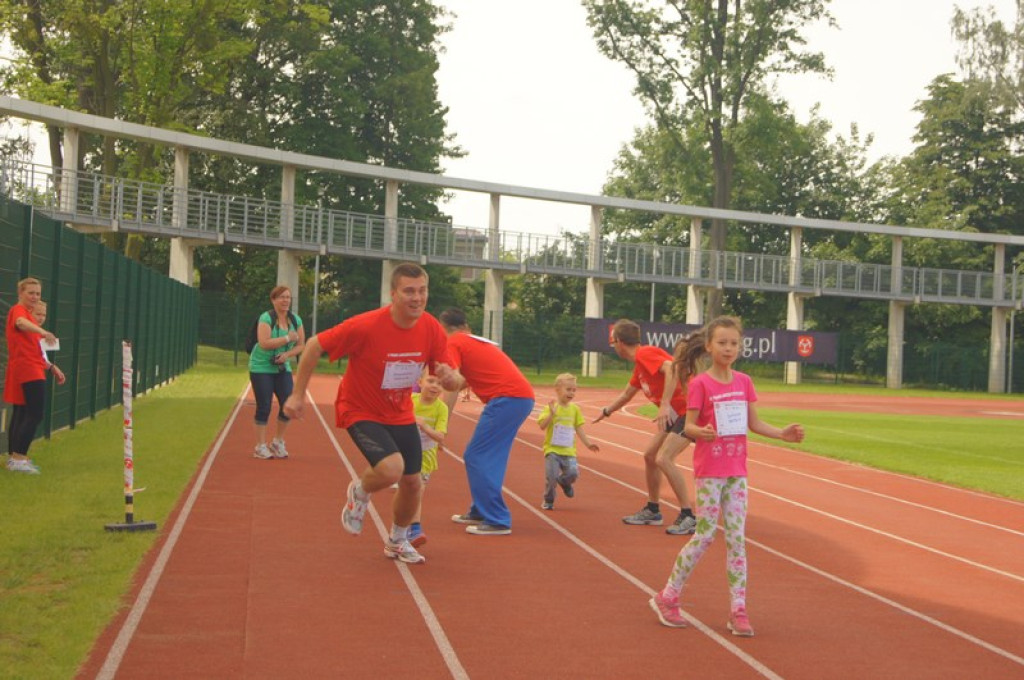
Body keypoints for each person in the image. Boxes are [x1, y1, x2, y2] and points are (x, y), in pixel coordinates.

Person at [283, 262, 451, 565]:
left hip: (400, 413)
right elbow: (312, 345)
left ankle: (397, 541)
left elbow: (450, 373)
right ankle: (359, 491)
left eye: (422, 290)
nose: (417, 297)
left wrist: (452, 377)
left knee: (414, 484)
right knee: (390, 469)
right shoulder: (366, 326)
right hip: (360, 409)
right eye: (409, 291)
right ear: (393, 294)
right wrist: (297, 394)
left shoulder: (431, 329)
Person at [649, 316, 805, 636]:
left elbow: (755, 424)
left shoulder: (744, 382)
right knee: (705, 536)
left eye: (734, 343)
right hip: (710, 473)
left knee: (737, 540)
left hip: (737, 473)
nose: (729, 348)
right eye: (722, 343)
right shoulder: (700, 384)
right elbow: (688, 425)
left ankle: (738, 610)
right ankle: (668, 596)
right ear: (709, 346)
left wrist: (782, 433)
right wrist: (700, 431)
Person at [435, 307, 534, 536]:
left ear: (443, 330)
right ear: (465, 326)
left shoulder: (454, 343)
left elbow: (453, 386)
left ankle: (497, 519)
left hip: (507, 399)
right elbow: (465, 381)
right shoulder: (474, 342)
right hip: (516, 397)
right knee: (489, 456)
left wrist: (443, 425)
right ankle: (481, 509)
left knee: (476, 455)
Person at [593, 319, 696, 534]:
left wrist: (665, 404)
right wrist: (606, 411)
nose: (613, 347)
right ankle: (653, 509)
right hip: (677, 414)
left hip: (691, 410)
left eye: (613, 343)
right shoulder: (640, 367)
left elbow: (672, 369)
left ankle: (688, 515)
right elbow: (627, 394)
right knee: (650, 456)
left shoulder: (644, 353)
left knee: (664, 458)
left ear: (619, 342)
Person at [4, 278, 62, 474]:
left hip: (29, 366)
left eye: (38, 293)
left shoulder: (29, 317)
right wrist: (43, 331)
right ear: (20, 293)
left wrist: (52, 367)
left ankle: (14, 456)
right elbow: (20, 323)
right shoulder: (19, 312)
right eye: (31, 293)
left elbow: (37, 351)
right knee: (35, 412)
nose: (35, 297)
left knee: (21, 412)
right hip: (28, 369)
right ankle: (19, 457)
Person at [249, 285, 305, 460]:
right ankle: (260, 446)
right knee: (264, 406)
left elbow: (301, 345)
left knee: (287, 404)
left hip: (282, 368)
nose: (286, 300)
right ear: (273, 300)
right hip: (261, 367)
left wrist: (287, 355)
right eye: (282, 297)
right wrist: (287, 338)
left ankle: (277, 441)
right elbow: (264, 342)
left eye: (288, 297)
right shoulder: (266, 318)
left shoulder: (296, 320)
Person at [537, 373, 599, 510]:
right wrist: (551, 415)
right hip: (552, 450)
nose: (572, 393)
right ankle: (549, 500)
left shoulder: (575, 409)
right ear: (557, 389)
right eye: (568, 389)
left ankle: (565, 482)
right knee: (551, 478)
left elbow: (579, 428)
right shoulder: (550, 408)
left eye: (574, 390)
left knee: (573, 473)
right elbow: (542, 426)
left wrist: (588, 444)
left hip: (569, 451)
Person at [407, 371, 449, 547]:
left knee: (417, 490)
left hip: (425, 456)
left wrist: (424, 426)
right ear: (420, 382)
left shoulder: (441, 408)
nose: (434, 386)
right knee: (407, 490)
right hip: (405, 450)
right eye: (431, 381)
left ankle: (414, 528)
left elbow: (440, 436)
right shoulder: (410, 400)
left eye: (439, 384)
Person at [33, 302, 66, 386]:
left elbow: (41, 357)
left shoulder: (39, 334)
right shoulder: (29, 333)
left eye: (44, 315)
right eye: (38, 314)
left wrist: (52, 367)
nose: (41, 318)